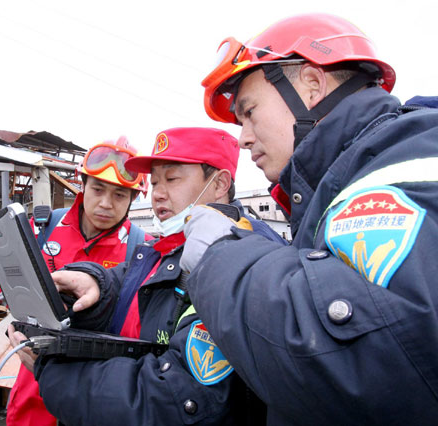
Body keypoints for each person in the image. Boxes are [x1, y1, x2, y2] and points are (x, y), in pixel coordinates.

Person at [180, 13, 438, 425]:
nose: (243, 137)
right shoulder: (339, 187)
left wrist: (221, 254)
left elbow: (374, 361)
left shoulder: (408, 158)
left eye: (248, 112)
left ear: (312, 85)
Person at [9, 127, 285, 425]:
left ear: (219, 183)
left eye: (172, 178)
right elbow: (122, 286)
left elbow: (175, 398)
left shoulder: (238, 261)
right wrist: (95, 285)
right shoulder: (158, 250)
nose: (158, 194)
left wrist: (53, 374)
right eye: (154, 182)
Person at [5, 137, 150, 426]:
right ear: (83, 185)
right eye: (98, 189)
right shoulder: (44, 227)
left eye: (120, 195)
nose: (106, 204)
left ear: (133, 199)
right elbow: (8, 282)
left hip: (93, 388)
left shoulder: (142, 250)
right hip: (33, 381)